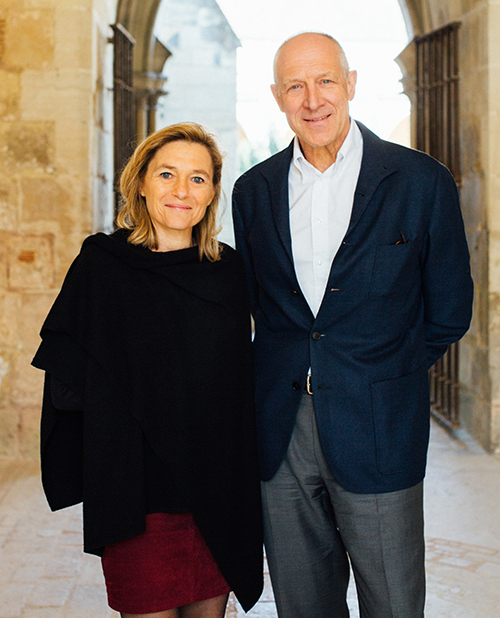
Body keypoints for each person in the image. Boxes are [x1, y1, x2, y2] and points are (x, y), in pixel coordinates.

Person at [232, 32, 473, 618]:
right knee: (302, 604)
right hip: (282, 431)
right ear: (276, 96)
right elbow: (256, 304)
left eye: (325, 81)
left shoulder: (420, 181)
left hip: (380, 425)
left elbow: (448, 311)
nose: (312, 99)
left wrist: (384, 375)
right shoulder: (252, 191)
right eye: (295, 86)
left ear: (351, 84)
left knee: (391, 601)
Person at [32, 122, 263, 618]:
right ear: (140, 183)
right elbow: (67, 380)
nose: (182, 191)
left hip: (218, 493)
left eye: (198, 179)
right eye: (167, 174)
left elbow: (245, 380)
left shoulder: (230, 272)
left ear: (213, 192)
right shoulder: (102, 266)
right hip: (138, 496)